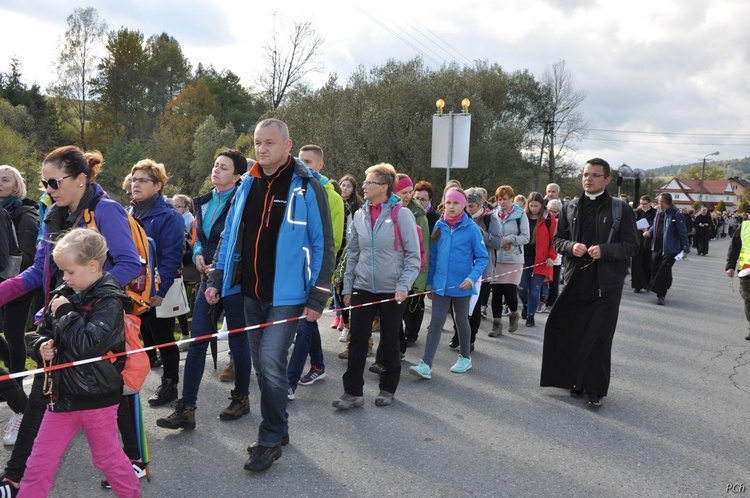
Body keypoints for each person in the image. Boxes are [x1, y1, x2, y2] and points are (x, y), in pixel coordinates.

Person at [0, 146, 142, 496]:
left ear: (80, 179)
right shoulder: (52, 213)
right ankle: (17, 476)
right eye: (43, 181)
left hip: (94, 319)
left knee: (106, 394)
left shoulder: (106, 210)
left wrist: (86, 301)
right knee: (50, 401)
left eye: (54, 181)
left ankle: (132, 463)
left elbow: (129, 264)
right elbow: (40, 271)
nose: (48, 188)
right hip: (59, 321)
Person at [206, 118, 334, 473]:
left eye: (269, 143)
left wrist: (317, 298)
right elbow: (229, 234)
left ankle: (269, 437)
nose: (261, 149)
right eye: (257, 143)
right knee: (263, 365)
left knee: (272, 362)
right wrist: (217, 275)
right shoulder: (247, 184)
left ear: (287, 146)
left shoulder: (309, 187)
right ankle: (280, 427)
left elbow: (324, 244)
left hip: (288, 295)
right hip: (249, 292)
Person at [17, 228, 140, 497]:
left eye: (70, 271)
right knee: (39, 462)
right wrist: (42, 348)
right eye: (62, 271)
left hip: (97, 397)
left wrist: (65, 312)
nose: (64, 277)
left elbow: (86, 345)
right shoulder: (64, 292)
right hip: (61, 397)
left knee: (108, 460)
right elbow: (43, 334)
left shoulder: (110, 301)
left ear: (93, 266)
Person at [156, 150, 253, 430]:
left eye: (223, 168)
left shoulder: (243, 201)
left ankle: (241, 397)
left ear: (237, 175)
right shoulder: (205, 201)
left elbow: (238, 240)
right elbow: (199, 236)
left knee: (238, 343)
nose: (216, 170)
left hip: (234, 281)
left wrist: (219, 275)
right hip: (206, 279)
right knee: (199, 341)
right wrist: (197, 252)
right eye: (215, 165)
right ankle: (186, 408)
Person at [540, 158, 639, 408]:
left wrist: (605, 250)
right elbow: (558, 241)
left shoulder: (621, 209)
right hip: (575, 280)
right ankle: (576, 381)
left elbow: (632, 246)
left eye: (595, 175)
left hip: (606, 285)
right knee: (575, 333)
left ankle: (595, 388)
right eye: (586, 174)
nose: (589, 179)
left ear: (607, 179)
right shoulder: (570, 207)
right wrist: (571, 246)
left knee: (599, 337)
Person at [333, 163, 420, 409]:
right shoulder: (359, 215)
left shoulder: (402, 214)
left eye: (368, 182)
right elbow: (352, 254)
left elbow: (414, 256)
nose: (364, 186)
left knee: (390, 340)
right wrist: (348, 287)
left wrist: (404, 285)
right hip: (363, 286)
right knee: (357, 338)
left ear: (383, 186)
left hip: (393, 289)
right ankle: (352, 392)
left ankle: (387, 388)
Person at [409, 188, 488, 379]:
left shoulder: (471, 229)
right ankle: (426, 364)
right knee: (435, 322)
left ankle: (465, 357)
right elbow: (433, 257)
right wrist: (429, 283)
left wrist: (471, 278)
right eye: (449, 203)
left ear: (463, 206)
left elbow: (482, 258)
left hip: (462, 286)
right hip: (440, 285)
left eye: (456, 203)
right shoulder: (439, 225)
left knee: (461, 321)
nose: (451, 207)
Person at [287, 145, 344, 400]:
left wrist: (321, 276)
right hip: (292, 273)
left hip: (315, 273)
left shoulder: (332, 197)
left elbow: (333, 240)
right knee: (308, 322)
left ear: (320, 165)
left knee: (304, 325)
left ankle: (289, 383)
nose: (304, 165)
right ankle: (318, 365)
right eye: (301, 160)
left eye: (309, 161)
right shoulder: (294, 188)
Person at [129, 159, 185, 406]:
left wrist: (160, 290)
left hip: (157, 287)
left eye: (143, 180)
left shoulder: (169, 215)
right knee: (145, 334)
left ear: (158, 185)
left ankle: (170, 385)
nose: (136, 184)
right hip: (134, 288)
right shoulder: (130, 211)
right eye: (134, 179)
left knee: (164, 337)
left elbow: (172, 255)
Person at [449, 187, 501, 350]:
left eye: (472, 206)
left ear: (480, 205)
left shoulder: (490, 220)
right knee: (457, 305)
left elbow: (497, 242)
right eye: (467, 206)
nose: (469, 209)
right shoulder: (460, 218)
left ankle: (470, 339)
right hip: (461, 268)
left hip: (481, 271)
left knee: (474, 306)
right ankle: (457, 333)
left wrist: (479, 231)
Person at [0, 165, 39, 383]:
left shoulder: (25, 213)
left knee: (14, 333)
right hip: (2, 281)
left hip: (20, 282)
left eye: (5, 180)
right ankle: (9, 378)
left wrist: (12, 281)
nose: (0, 184)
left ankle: (15, 381)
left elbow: (30, 255)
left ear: (17, 186)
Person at [393, 174, 430, 350]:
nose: (408, 196)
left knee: (409, 309)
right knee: (394, 314)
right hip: (392, 272)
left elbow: (425, 248)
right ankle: (398, 346)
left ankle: (408, 338)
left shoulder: (419, 215)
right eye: (404, 192)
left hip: (412, 271)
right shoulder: (388, 211)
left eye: (410, 192)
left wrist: (421, 280)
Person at [488, 185, 529, 337]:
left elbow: (526, 238)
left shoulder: (520, 215)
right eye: (499, 199)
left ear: (512, 198)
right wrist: (497, 241)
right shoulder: (493, 214)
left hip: (513, 259)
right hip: (496, 258)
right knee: (497, 292)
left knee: (509, 291)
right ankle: (496, 324)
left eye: (505, 199)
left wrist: (509, 239)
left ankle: (513, 314)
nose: (502, 202)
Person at [517, 192, 557, 328]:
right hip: (522, 258)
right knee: (521, 287)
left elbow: (554, 240)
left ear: (542, 205)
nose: (533, 208)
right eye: (531, 205)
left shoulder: (549, 219)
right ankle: (526, 305)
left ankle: (531, 315)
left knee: (535, 289)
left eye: (536, 206)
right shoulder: (521, 216)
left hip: (540, 259)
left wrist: (551, 256)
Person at [644, 193, 689, 306]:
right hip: (657, 246)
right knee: (655, 268)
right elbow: (654, 225)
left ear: (664, 202)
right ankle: (666, 283)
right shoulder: (659, 212)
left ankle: (661, 295)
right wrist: (649, 231)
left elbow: (682, 232)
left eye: (659, 201)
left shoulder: (676, 214)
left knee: (663, 271)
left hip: (670, 248)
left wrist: (686, 249)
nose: (658, 202)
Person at [334, 174, 363, 343]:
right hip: (341, 253)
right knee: (339, 288)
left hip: (353, 252)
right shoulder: (336, 202)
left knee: (354, 294)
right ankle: (343, 321)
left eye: (348, 186)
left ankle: (357, 332)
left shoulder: (357, 207)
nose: (344, 188)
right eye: (342, 185)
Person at [725, 217, 750, 341]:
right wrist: (730, 266)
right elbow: (734, 247)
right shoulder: (745, 226)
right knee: (748, 299)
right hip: (747, 270)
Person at [631, 195, 656, 293]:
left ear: (650, 203)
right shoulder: (637, 213)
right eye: (641, 204)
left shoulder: (655, 213)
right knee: (636, 264)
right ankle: (637, 285)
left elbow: (656, 225)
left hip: (649, 240)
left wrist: (649, 229)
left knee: (648, 264)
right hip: (637, 240)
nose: (643, 206)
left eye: (645, 204)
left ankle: (647, 284)